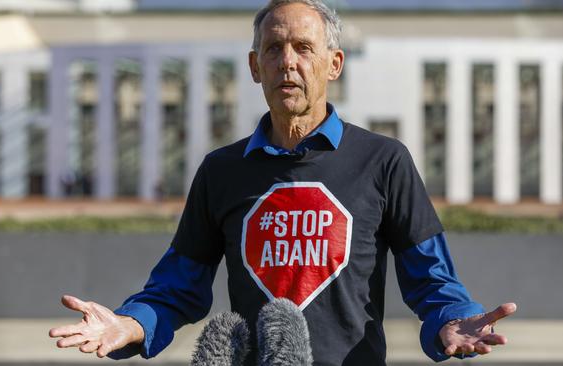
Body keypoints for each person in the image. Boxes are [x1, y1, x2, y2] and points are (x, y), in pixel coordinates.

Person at [49, 0, 517, 364]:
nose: (287, 62)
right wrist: (130, 323)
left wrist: (455, 320)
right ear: (255, 68)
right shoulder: (221, 169)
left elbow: (431, 277)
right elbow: (178, 285)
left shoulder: (382, 160)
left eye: (303, 48)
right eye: (273, 49)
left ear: (334, 64)